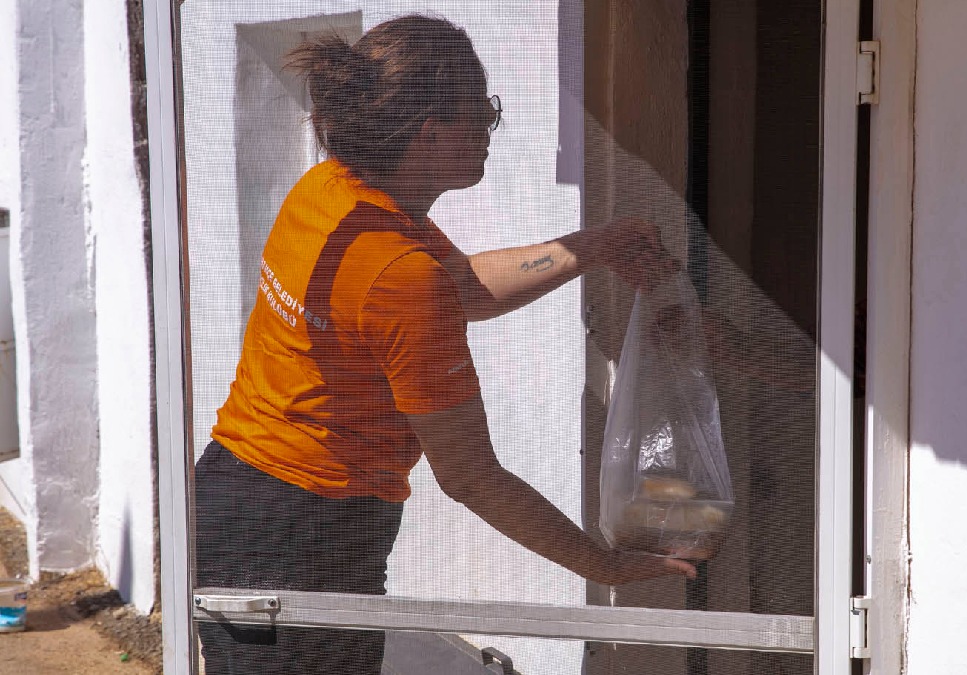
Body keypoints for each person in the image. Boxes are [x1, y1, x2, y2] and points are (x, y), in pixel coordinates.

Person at [193, 14, 694, 675]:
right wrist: (602, 565)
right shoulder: (399, 272)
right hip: (307, 530)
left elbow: (467, 288)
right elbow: (470, 476)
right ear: (431, 131)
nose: (491, 128)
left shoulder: (333, 194)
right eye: (481, 113)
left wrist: (591, 248)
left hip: (236, 495)